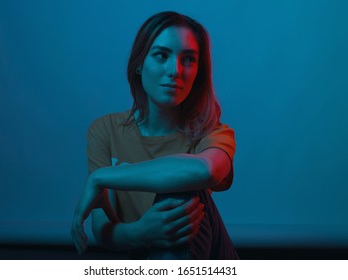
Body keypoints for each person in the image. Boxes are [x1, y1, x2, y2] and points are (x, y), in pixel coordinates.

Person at [71, 11, 238, 259]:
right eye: (161, 56)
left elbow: (207, 171)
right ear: (139, 64)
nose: (175, 70)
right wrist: (141, 232)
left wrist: (101, 177)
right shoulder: (104, 130)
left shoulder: (213, 132)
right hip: (139, 261)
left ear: (198, 72)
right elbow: (101, 229)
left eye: (189, 60)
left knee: (182, 187)